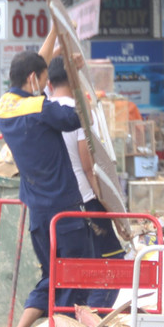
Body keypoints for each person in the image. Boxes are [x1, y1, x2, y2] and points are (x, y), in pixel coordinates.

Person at [0, 25, 97, 327]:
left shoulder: (5, 106)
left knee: (51, 274)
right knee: (74, 276)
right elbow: (74, 117)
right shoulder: (42, 109)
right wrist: (79, 85)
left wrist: (54, 41)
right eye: (43, 80)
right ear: (33, 80)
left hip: (37, 211)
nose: (46, 86)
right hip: (63, 208)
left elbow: (33, 70)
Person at [45, 55, 124, 308]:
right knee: (112, 263)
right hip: (85, 200)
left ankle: (74, 318)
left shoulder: (43, 109)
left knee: (67, 269)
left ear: (49, 82)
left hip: (53, 203)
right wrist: (112, 209)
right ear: (76, 78)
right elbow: (89, 167)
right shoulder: (77, 112)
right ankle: (93, 319)